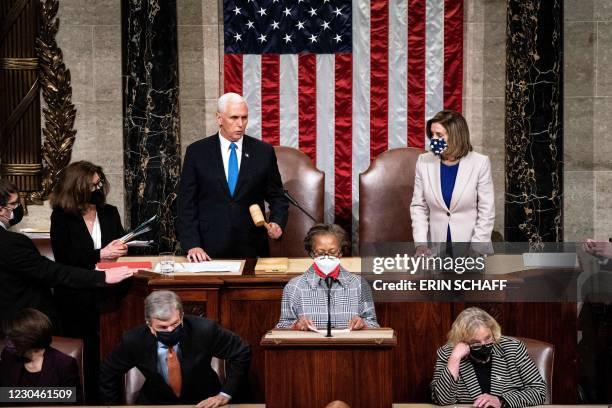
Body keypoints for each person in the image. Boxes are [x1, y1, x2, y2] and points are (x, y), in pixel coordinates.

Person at [0, 179, 133, 329]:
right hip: (23, 325)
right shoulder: (11, 242)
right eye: (15, 204)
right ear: (1, 210)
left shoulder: (109, 212)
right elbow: (51, 272)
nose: (18, 208)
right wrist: (103, 276)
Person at [49, 161, 127, 403]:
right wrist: (100, 254)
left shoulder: (109, 212)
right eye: (93, 184)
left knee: (111, 352)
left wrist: (121, 248)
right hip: (76, 297)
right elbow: (65, 258)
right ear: (78, 187)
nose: (98, 188)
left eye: (99, 183)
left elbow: (118, 244)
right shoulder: (62, 216)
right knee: (86, 355)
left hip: (110, 294)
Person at [177, 92, 289, 261]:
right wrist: (192, 244)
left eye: (244, 118)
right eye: (234, 118)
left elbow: (277, 197)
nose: (240, 124)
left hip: (252, 249)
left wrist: (277, 222)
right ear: (219, 118)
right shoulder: (197, 152)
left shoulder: (263, 152)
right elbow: (186, 204)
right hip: (207, 250)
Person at [99, 290, 251, 407]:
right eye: (163, 327)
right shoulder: (134, 340)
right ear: (149, 325)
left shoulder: (204, 330)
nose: (171, 330)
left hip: (203, 400)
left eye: (175, 323)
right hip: (155, 403)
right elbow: (108, 370)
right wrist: (113, 406)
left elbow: (241, 351)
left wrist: (225, 394)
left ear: (182, 315)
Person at [410, 110, 494, 255]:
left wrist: (477, 247)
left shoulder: (480, 163)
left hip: (471, 249)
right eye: (432, 135)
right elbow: (419, 206)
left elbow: (486, 211)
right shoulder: (424, 162)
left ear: (455, 136)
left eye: (439, 135)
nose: (433, 140)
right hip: (436, 250)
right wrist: (421, 244)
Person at [431, 307, 546, 407]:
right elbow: (442, 400)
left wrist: (502, 401)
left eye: (487, 338)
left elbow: (539, 391)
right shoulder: (449, 353)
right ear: (462, 341)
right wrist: (455, 359)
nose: (484, 345)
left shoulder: (512, 348)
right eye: (475, 342)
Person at [277, 224, 378, 330]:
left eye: (332, 252)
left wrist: (363, 324)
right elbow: (282, 327)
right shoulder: (294, 286)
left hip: (348, 346)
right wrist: (296, 326)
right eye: (320, 253)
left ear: (341, 252)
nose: (326, 257)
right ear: (311, 253)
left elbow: (373, 325)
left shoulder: (359, 284)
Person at [0, 308, 82, 403]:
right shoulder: (8, 356)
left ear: (27, 339)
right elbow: (3, 396)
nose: (7, 342)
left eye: (12, 338)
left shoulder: (64, 364)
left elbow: (73, 403)